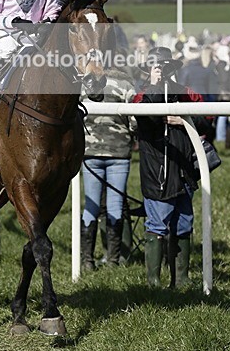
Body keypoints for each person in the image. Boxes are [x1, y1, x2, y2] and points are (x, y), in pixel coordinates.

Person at [134, 46, 211, 289]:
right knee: (157, 224)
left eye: (164, 66)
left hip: (183, 170)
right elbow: (147, 119)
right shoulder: (140, 96)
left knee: (185, 222)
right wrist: (156, 87)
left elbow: (207, 118)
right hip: (158, 172)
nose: (160, 70)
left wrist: (183, 118)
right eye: (155, 66)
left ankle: (182, 278)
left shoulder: (186, 94)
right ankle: (154, 281)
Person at [80, 67, 137, 270]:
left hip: (90, 151)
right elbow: (134, 121)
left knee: (91, 205)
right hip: (119, 152)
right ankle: (113, 259)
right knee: (115, 204)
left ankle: (87, 260)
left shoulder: (84, 86)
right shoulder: (126, 87)